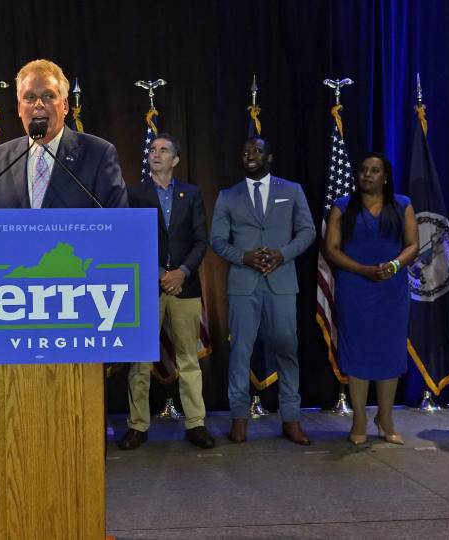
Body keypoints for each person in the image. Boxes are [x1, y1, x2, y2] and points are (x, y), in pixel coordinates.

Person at [210, 138, 315, 445]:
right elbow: (217, 240)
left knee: (287, 349)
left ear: (269, 155)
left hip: (281, 280)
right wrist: (243, 257)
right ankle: (239, 418)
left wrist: (283, 253)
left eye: (256, 150)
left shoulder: (291, 190)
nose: (250, 155)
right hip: (244, 282)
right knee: (240, 352)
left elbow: (307, 230)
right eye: (245, 152)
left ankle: (291, 419)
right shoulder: (228, 196)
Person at [119, 134, 213, 450]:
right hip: (148, 286)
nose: (156, 154)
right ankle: (137, 426)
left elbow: (201, 240)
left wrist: (181, 273)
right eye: (152, 150)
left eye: (164, 150)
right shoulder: (133, 194)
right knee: (140, 362)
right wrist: (161, 274)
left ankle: (196, 424)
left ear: (175, 160)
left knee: (188, 359)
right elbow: (130, 241)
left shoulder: (192, 194)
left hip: (185, 288)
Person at [322, 153, 418, 445]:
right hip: (355, 287)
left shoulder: (402, 205)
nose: (368, 175)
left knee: (390, 351)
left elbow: (413, 245)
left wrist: (394, 266)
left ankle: (386, 418)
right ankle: (360, 418)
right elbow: (332, 249)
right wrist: (362, 270)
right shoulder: (342, 206)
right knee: (358, 351)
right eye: (363, 170)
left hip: (391, 290)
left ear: (385, 177)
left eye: (375, 171)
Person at [0, 58, 127, 209]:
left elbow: (118, 223)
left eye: (48, 96)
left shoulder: (97, 154)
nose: (38, 104)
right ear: (19, 108)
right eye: (30, 97)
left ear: (65, 106)